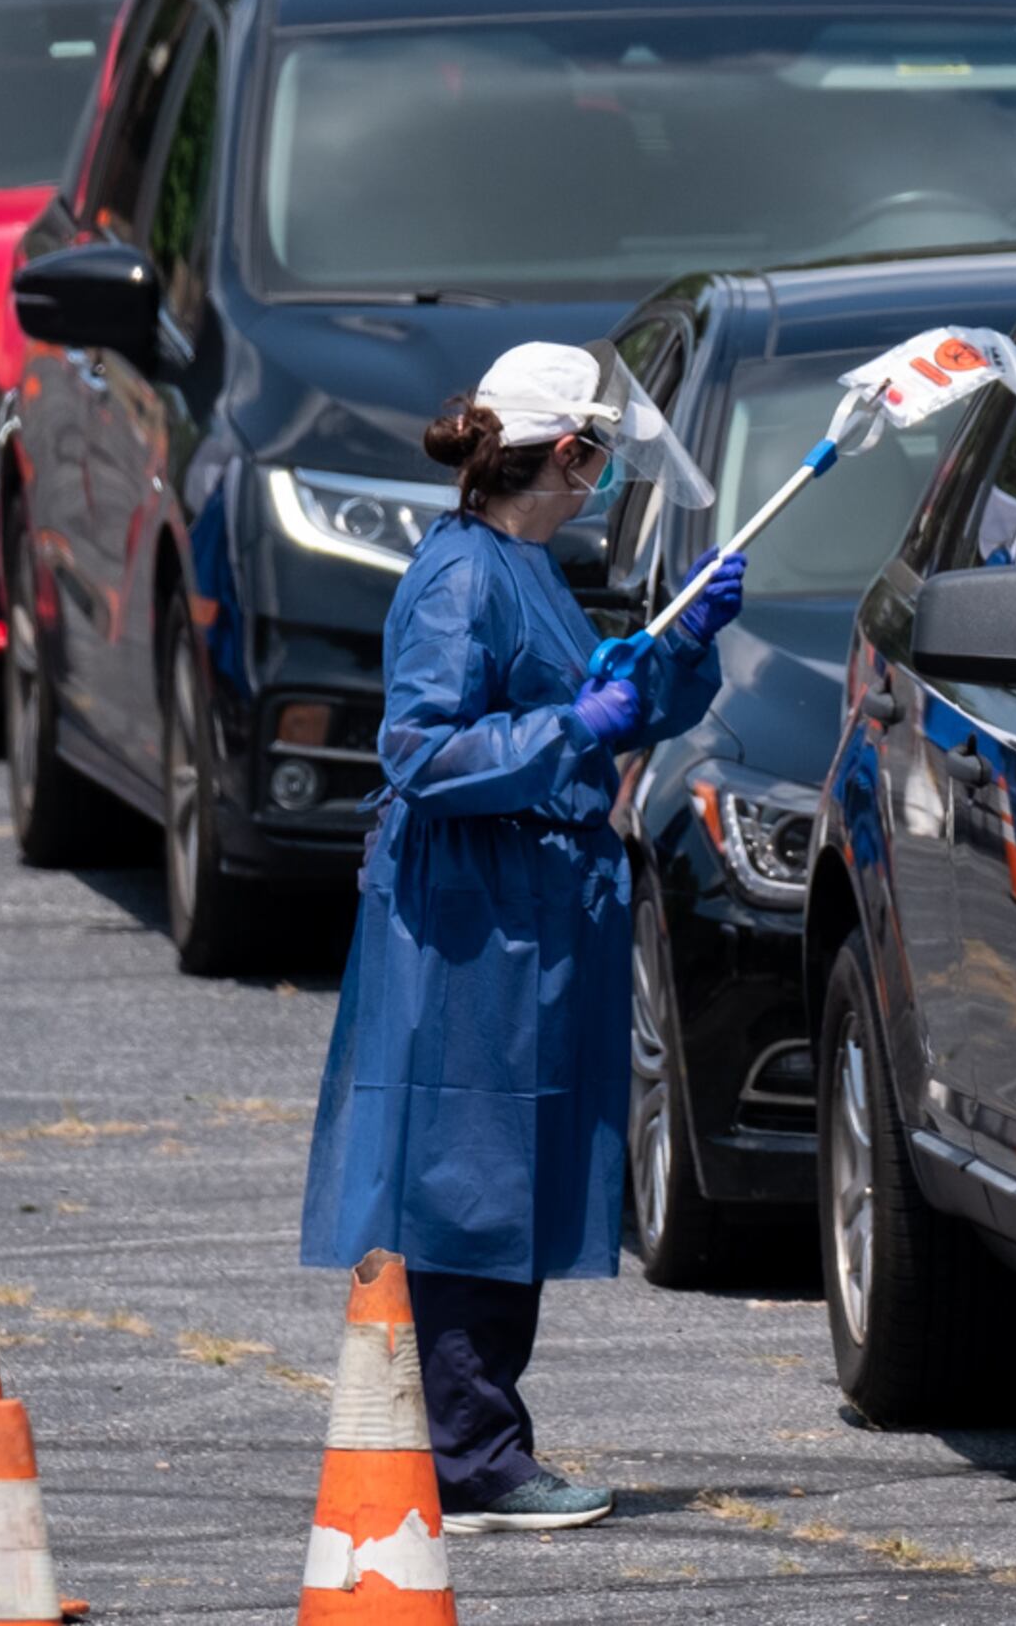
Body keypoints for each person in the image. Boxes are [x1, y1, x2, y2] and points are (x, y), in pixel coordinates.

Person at [299, 343, 747, 1534]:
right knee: (467, 1178)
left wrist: (681, 646)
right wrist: (571, 723)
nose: (601, 479)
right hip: (473, 920)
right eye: (596, 458)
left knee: (512, 1169)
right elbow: (422, 754)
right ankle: (471, 1456)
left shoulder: (522, 566)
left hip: (527, 916)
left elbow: (608, 705)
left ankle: (479, 1439)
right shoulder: (461, 579)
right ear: (568, 454)